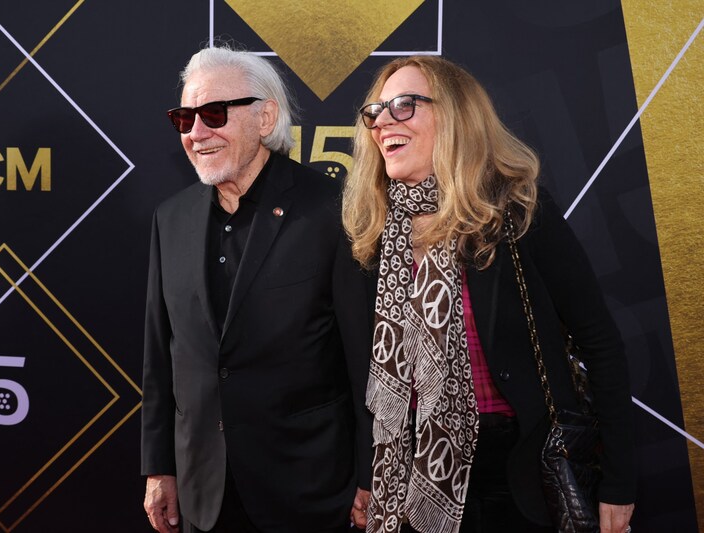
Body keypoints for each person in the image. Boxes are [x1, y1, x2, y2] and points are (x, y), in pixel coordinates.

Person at [342, 55, 636, 533]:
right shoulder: (368, 235)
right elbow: (359, 379)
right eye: (376, 112)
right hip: (406, 478)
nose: (383, 123)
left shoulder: (519, 215)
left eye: (404, 105)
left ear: (458, 115)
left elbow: (599, 342)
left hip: (518, 478)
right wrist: (365, 473)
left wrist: (620, 482)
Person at [141, 45, 373, 533]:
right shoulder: (171, 219)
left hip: (308, 489)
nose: (196, 133)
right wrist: (159, 468)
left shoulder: (333, 212)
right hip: (203, 491)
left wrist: (371, 474)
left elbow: (365, 362)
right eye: (185, 118)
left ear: (265, 117)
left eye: (213, 114)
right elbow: (162, 358)